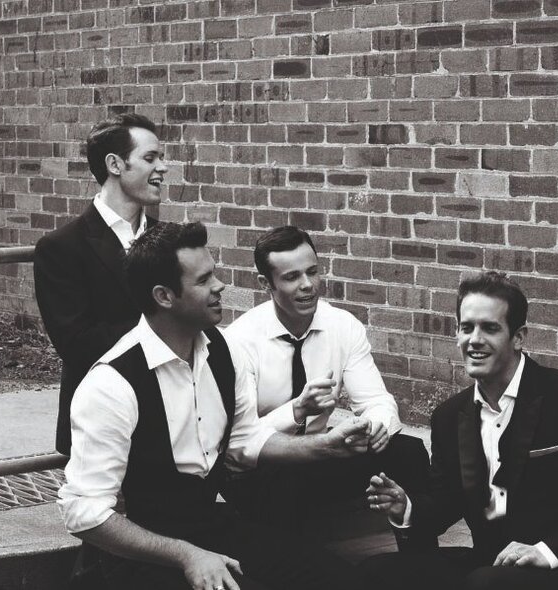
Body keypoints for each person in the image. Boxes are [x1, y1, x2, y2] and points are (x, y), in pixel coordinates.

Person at [59, 221, 368, 590]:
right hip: (137, 560)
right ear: (163, 296)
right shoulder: (112, 384)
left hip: (210, 527)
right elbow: (83, 513)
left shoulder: (223, 351)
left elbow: (245, 441)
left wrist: (322, 447)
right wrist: (187, 555)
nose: (220, 286)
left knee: (338, 579)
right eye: (204, 280)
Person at [363, 271, 558, 590]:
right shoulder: (449, 416)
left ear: (518, 337)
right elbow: (445, 502)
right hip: (491, 564)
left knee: (485, 584)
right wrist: (406, 508)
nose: (475, 340)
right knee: (376, 573)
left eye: (490, 328)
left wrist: (546, 551)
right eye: (466, 327)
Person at [223, 225, 430, 535]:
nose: (307, 285)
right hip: (258, 472)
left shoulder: (342, 326)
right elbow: (238, 445)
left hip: (322, 455)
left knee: (410, 452)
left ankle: (415, 554)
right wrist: (295, 411)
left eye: (312, 272)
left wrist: (375, 427)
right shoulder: (239, 341)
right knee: (284, 484)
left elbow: (376, 400)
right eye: (292, 277)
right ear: (266, 284)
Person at [33, 112, 167, 454]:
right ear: (115, 164)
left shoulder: (169, 239)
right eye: (150, 158)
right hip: (100, 423)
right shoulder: (62, 247)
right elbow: (78, 344)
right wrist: (164, 327)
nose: (162, 168)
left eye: (161, 159)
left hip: (170, 420)